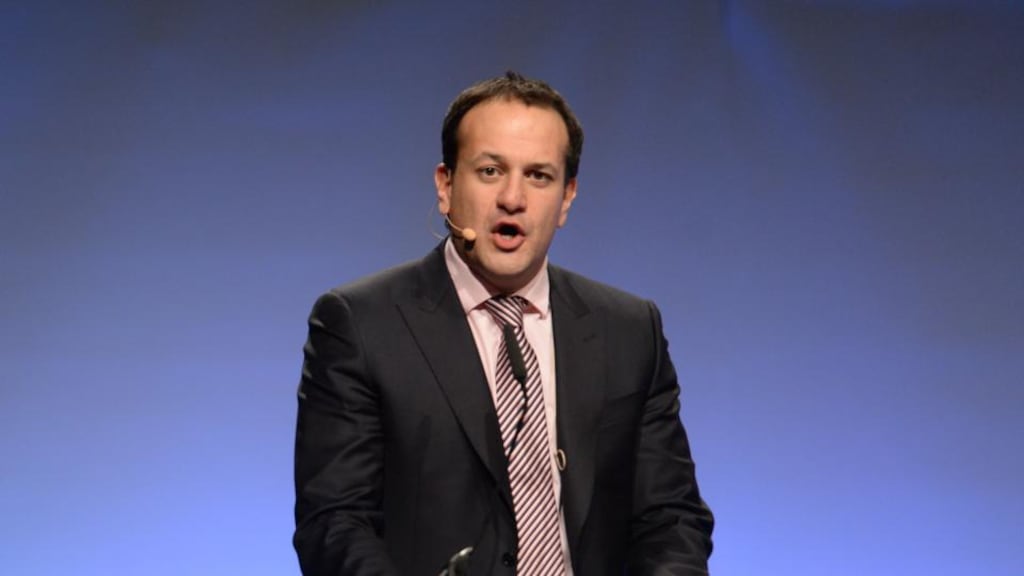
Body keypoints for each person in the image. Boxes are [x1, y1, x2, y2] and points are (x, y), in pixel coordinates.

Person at [293, 71, 714, 575]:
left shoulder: (628, 330)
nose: (513, 198)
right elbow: (336, 523)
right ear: (446, 186)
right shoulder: (361, 325)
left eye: (539, 176)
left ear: (567, 198)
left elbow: (671, 519)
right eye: (490, 171)